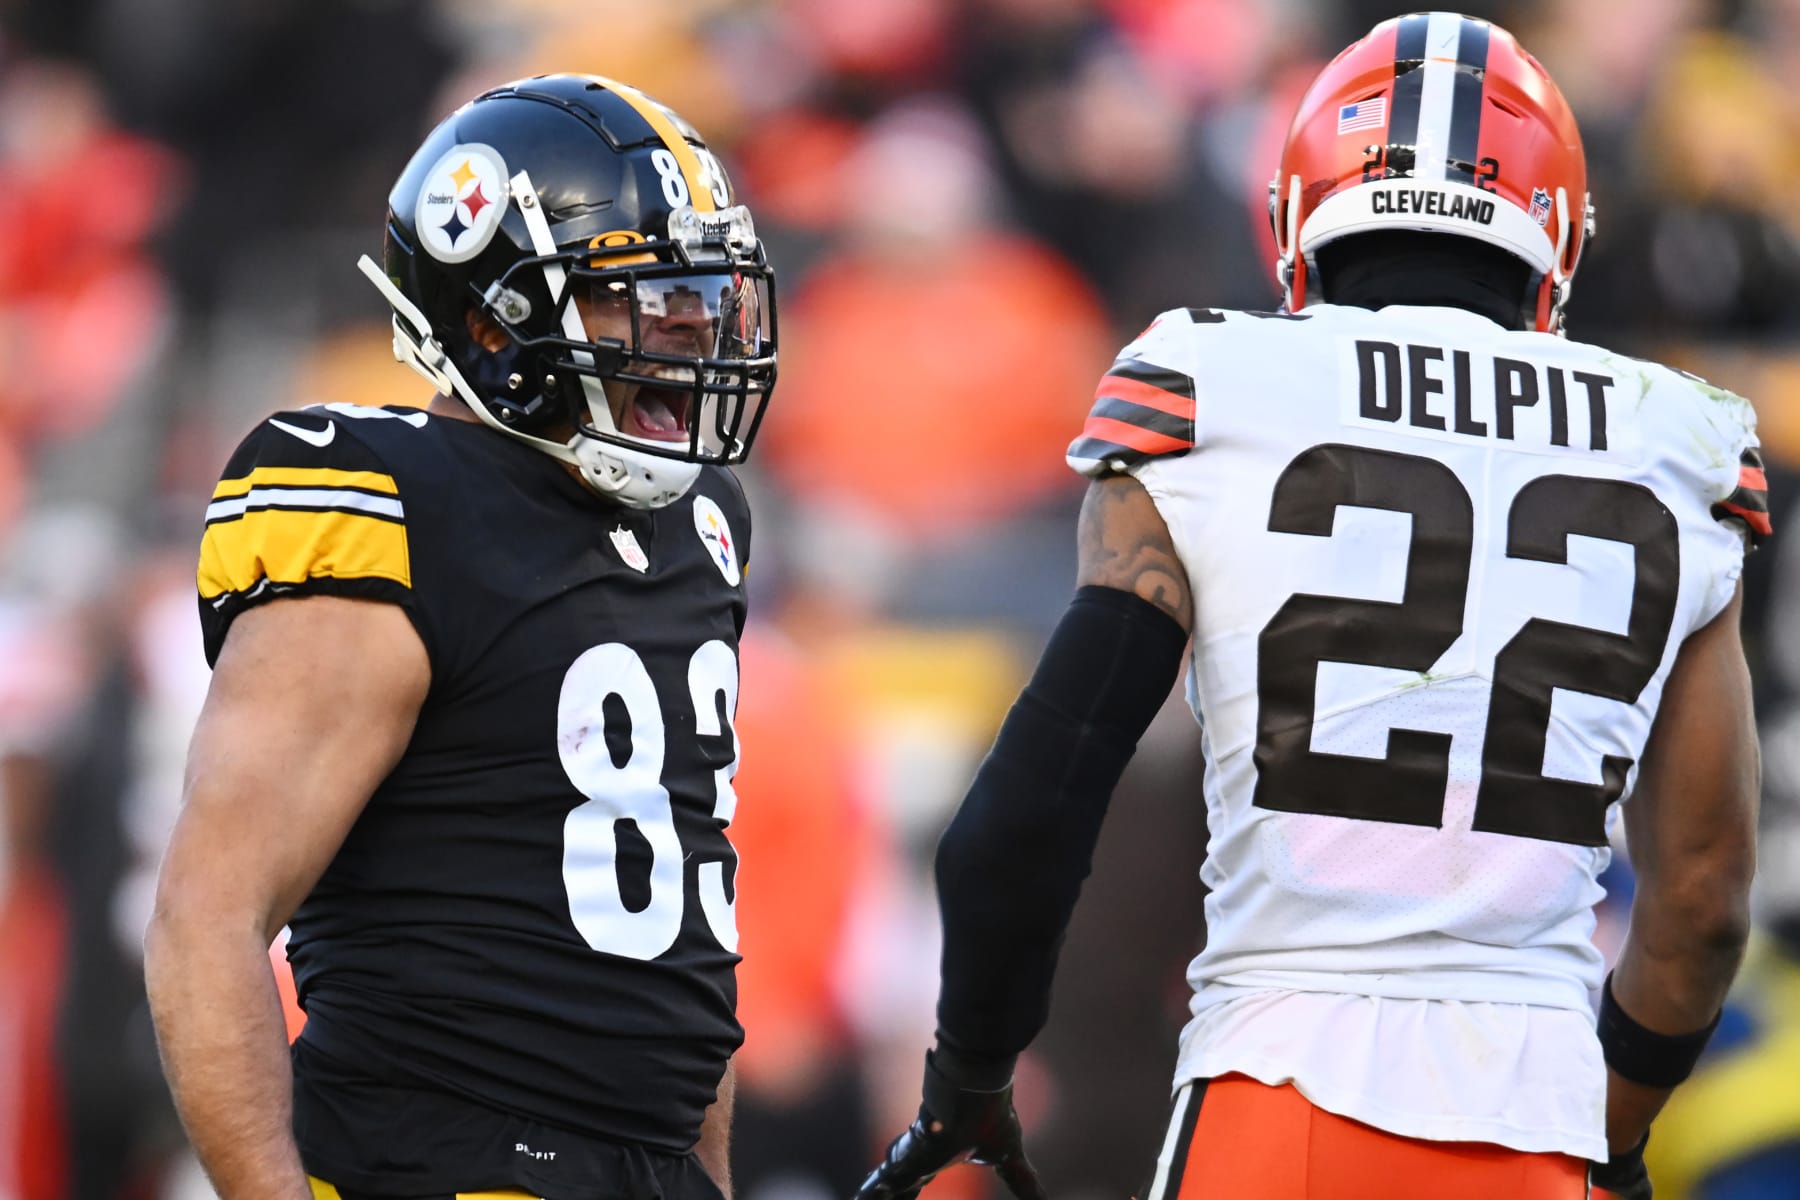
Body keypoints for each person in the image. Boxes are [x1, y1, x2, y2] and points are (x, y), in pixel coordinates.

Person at [853, 13, 1767, 1200]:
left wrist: (970, 1071)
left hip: (1274, 1101)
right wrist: (1618, 1134)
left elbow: (1026, 820)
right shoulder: (1675, 443)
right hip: (1534, 1112)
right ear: (1555, 238)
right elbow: (1701, 902)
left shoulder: (1209, 386)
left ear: (1296, 212)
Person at [144, 73, 777, 1200]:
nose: (689, 334)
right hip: (441, 1153)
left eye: (702, 298)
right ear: (497, 322)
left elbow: (682, 949)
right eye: (645, 299)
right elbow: (209, 915)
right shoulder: (382, 496)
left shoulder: (700, 523)